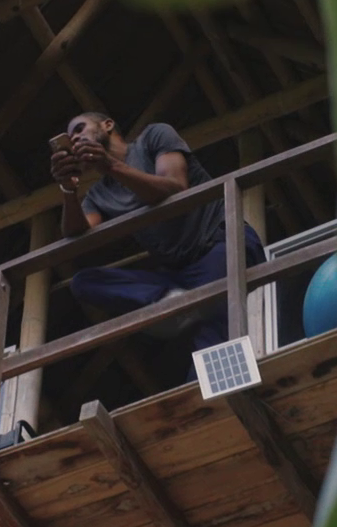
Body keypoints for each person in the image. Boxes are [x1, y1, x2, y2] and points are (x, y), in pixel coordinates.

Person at [50, 112, 264, 350]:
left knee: (215, 334)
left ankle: (221, 380)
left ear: (108, 125)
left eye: (80, 129)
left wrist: (110, 165)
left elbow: (175, 187)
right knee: (83, 282)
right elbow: (75, 236)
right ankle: (169, 298)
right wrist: (68, 189)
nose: (75, 138)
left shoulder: (153, 137)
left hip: (218, 243)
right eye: (70, 138)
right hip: (178, 277)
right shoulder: (98, 195)